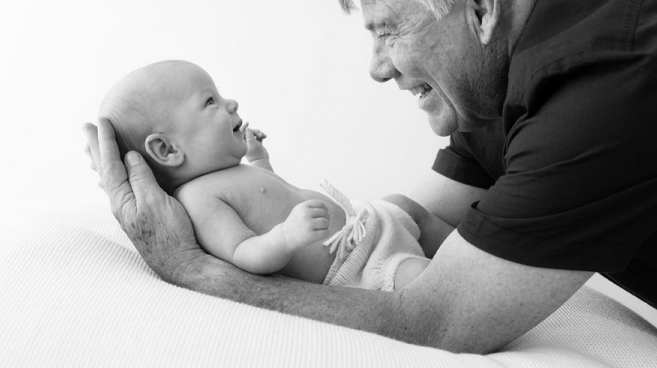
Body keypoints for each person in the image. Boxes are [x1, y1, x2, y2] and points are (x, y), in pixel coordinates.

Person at [84, 0, 657, 353]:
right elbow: (424, 214)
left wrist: (192, 270)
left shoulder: (608, 90)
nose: (378, 68)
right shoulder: (525, 55)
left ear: (478, 5)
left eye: (389, 31)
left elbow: (438, 321)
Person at [98, 60, 453, 291]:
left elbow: (268, 196)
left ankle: (468, 251)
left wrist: (259, 159)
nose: (230, 103)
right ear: (167, 150)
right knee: (421, 281)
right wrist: (286, 236)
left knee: (404, 205)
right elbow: (243, 251)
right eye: (210, 102)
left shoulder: (230, 173)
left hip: (364, 223)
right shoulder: (198, 200)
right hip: (360, 267)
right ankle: (466, 285)